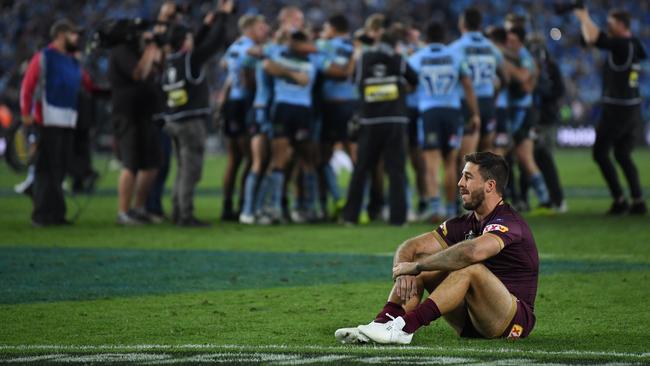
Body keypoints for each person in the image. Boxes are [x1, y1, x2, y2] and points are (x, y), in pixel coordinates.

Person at [335, 151, 538, 344]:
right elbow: (411, 247)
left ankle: (404, 328)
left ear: (490, 185)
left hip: (512, 321)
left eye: (468, 177)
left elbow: (472, 252)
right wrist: (404, 271)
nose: (460, 183)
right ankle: (381, 324)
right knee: (422, 260)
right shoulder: (464, 223)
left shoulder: (509, 222)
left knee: (470, 268)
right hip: (472, 321)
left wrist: (417, 266)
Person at [160, 0, 233, 227]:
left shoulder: (171, 61)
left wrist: (205, 25)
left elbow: (200, 44)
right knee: (191, 172)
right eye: (189, 38)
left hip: (173, 119)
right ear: (185, 42)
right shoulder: (190, 60)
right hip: (190, 122)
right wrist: (223, 16)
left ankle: (177, 211)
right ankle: (185, 215)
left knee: (182, 170)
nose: (193, 40)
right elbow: (214, 44)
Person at [20, 19, 93, 226]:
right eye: (73, 34)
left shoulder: (71, 60)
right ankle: (42, 215)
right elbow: (28, 85)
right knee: (46, 168)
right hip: (46, 120)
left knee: (59, 169)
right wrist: (26, 113)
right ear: (61, 35)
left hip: (67, 120)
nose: (76, 38)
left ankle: (57, 214)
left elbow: (86, 83)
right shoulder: (45, 57)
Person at [574, 8, 647, 215]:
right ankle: (638, 200)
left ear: (622, 25)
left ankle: (620, 199)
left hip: (617, 108)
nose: (608, 26)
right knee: (623, 154)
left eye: (612, 23)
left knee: (600, 153)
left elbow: (596, 39)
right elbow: (592, 40)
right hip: (633, 106)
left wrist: (583, 16)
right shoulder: (634, 44)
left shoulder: (620, 44)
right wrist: (585, 25)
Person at [342, 31, 418, 226]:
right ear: (395, 45)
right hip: (395, 120)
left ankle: (350, 216)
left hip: (370, 121)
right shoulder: (398, 59)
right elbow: (414, 79)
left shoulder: (364, 59)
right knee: (396, 171)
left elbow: (356, 83)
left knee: (361, 169)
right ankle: (398, 219)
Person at [408, 22, 480, 221]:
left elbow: (408, 86)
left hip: (429, 113)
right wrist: (474, 113)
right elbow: (468, 86)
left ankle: (434, 207)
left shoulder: (416, 59)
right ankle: (450, 209)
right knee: (451, 162)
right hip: (452, 112)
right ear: (444, 37)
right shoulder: (456, 57)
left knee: (431, 163)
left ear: (427, 38)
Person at [109, 23, 163, 225]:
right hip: (127, 114)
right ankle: (123, 212)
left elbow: (155, 70)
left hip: (145, 113)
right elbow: (138, 74)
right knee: (131, 164)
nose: (147, 37)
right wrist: (150, 50)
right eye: (144, 33)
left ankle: (138, 208)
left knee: (152, 163)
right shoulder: (121, 51)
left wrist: (155, 52)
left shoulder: (139, 52)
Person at [220, 14, 266, 222]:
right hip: (244, 104)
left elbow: (224, 66)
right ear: (250, 28)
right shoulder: (248, 47)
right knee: (251, 157)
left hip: (232, 104)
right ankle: (243, 205)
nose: (264, 30)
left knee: (234, 159)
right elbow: (249, 76)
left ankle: (227, 205)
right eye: (261, 27)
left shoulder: (234, 46)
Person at [504, 26, 551, 210]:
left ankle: (544, 199)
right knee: (516, 157)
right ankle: (528, 199)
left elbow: (525, 83)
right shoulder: (516, 56)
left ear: (520, 42)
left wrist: (507, 68)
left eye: (513, 40)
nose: (509, 44)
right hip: (516, 110)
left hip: (522, 112)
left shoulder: (523, 56)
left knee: (522, 156)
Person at [452, 7, 504, 155]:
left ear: (462, 24)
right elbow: (504, 77)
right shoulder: (492, 47)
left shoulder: (456, 48)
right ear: (480, 25)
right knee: (487, 151)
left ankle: (467, 178)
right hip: (487, 101)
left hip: (466, 102)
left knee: (467, 155)